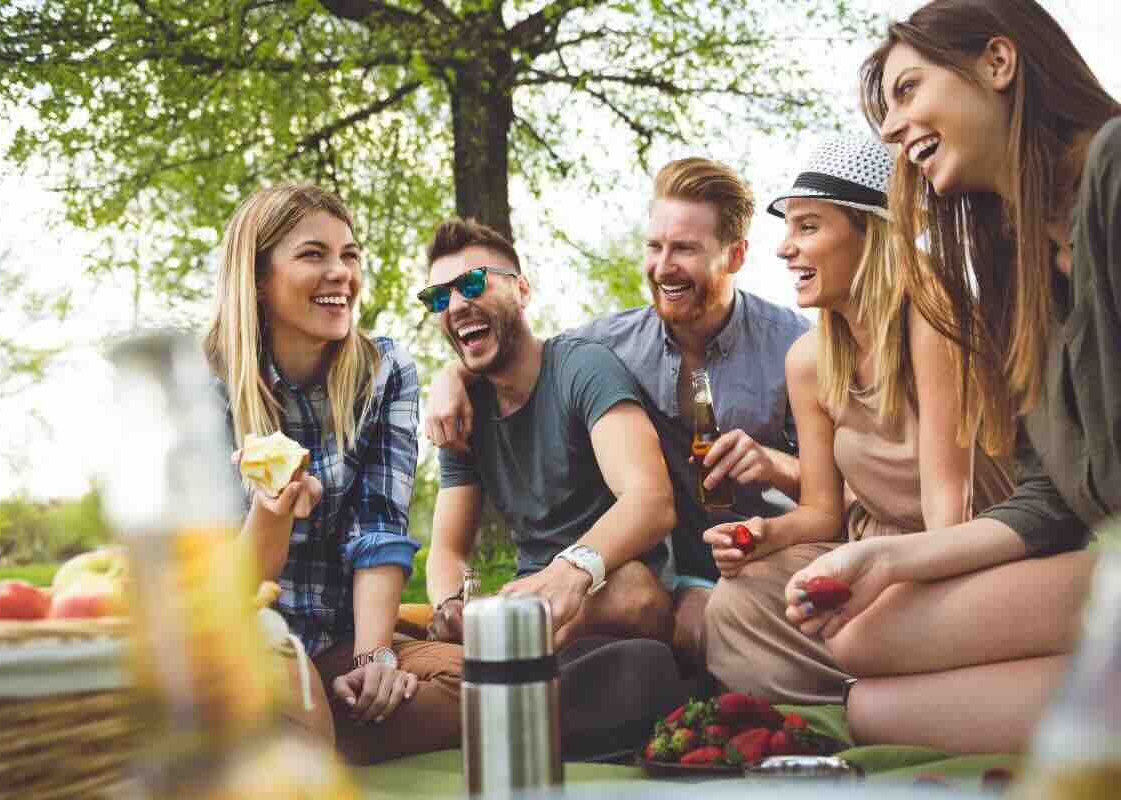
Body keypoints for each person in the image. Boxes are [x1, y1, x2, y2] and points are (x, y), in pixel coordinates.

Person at [783, 0, 1119, 754]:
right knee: (868, 681)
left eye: (908, 91)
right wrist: (885, 558)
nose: (892, 130)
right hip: (1103, 572)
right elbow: (1050, 499)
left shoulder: (1117, 167)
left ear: (998, 65)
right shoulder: (1019, 263)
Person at [425, 159, 811, 662]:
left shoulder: (795, 348)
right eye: (655, 247)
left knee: (709, 627)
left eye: (686, 249)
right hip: (687, 570)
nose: (664, 265)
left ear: (735, 255)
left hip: (774, 552)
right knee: (694, 623)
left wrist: (773, 464)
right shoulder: (608, 345)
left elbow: (843, 493)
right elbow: (524, 356)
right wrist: (451, 376)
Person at [699, 134, 1012, 705]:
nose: (784, 249)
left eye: (808, 227)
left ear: (872, 235)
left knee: (867, 625)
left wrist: (890, 583)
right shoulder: (808, 360)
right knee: (734, 603)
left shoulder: (936, 318)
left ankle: (900, 688)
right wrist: (764, 536)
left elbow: (951, 504)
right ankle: (890, 689)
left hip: (959, 555)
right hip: (866, 550)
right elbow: (821, 512)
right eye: (788, 228)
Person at [203, 185, 462, 765]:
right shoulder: (205, 386)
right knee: (302, 715)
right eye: (313, 255)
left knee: (495, 687)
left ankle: (306, 729)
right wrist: (273, 510)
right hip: (249, 639)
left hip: (342, 638)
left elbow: (379, 528)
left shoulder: (385, 370)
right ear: (259, 279)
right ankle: (298, 726)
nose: (340, 273)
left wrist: (374, 661)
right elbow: (232, 595)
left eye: (349, 255)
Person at [420, 217, 688, 758]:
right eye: (439, 296)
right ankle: (516, 682)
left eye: (472, 284)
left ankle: (502, 687)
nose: (455, 305)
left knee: (635, 596)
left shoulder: (582, 368)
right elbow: (447, 549)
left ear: (520, 289)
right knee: (402, 644)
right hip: (530, 611)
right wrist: (452, 605)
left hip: (603, 593)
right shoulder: (464, 410)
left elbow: (651, 503)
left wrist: (572, 570)